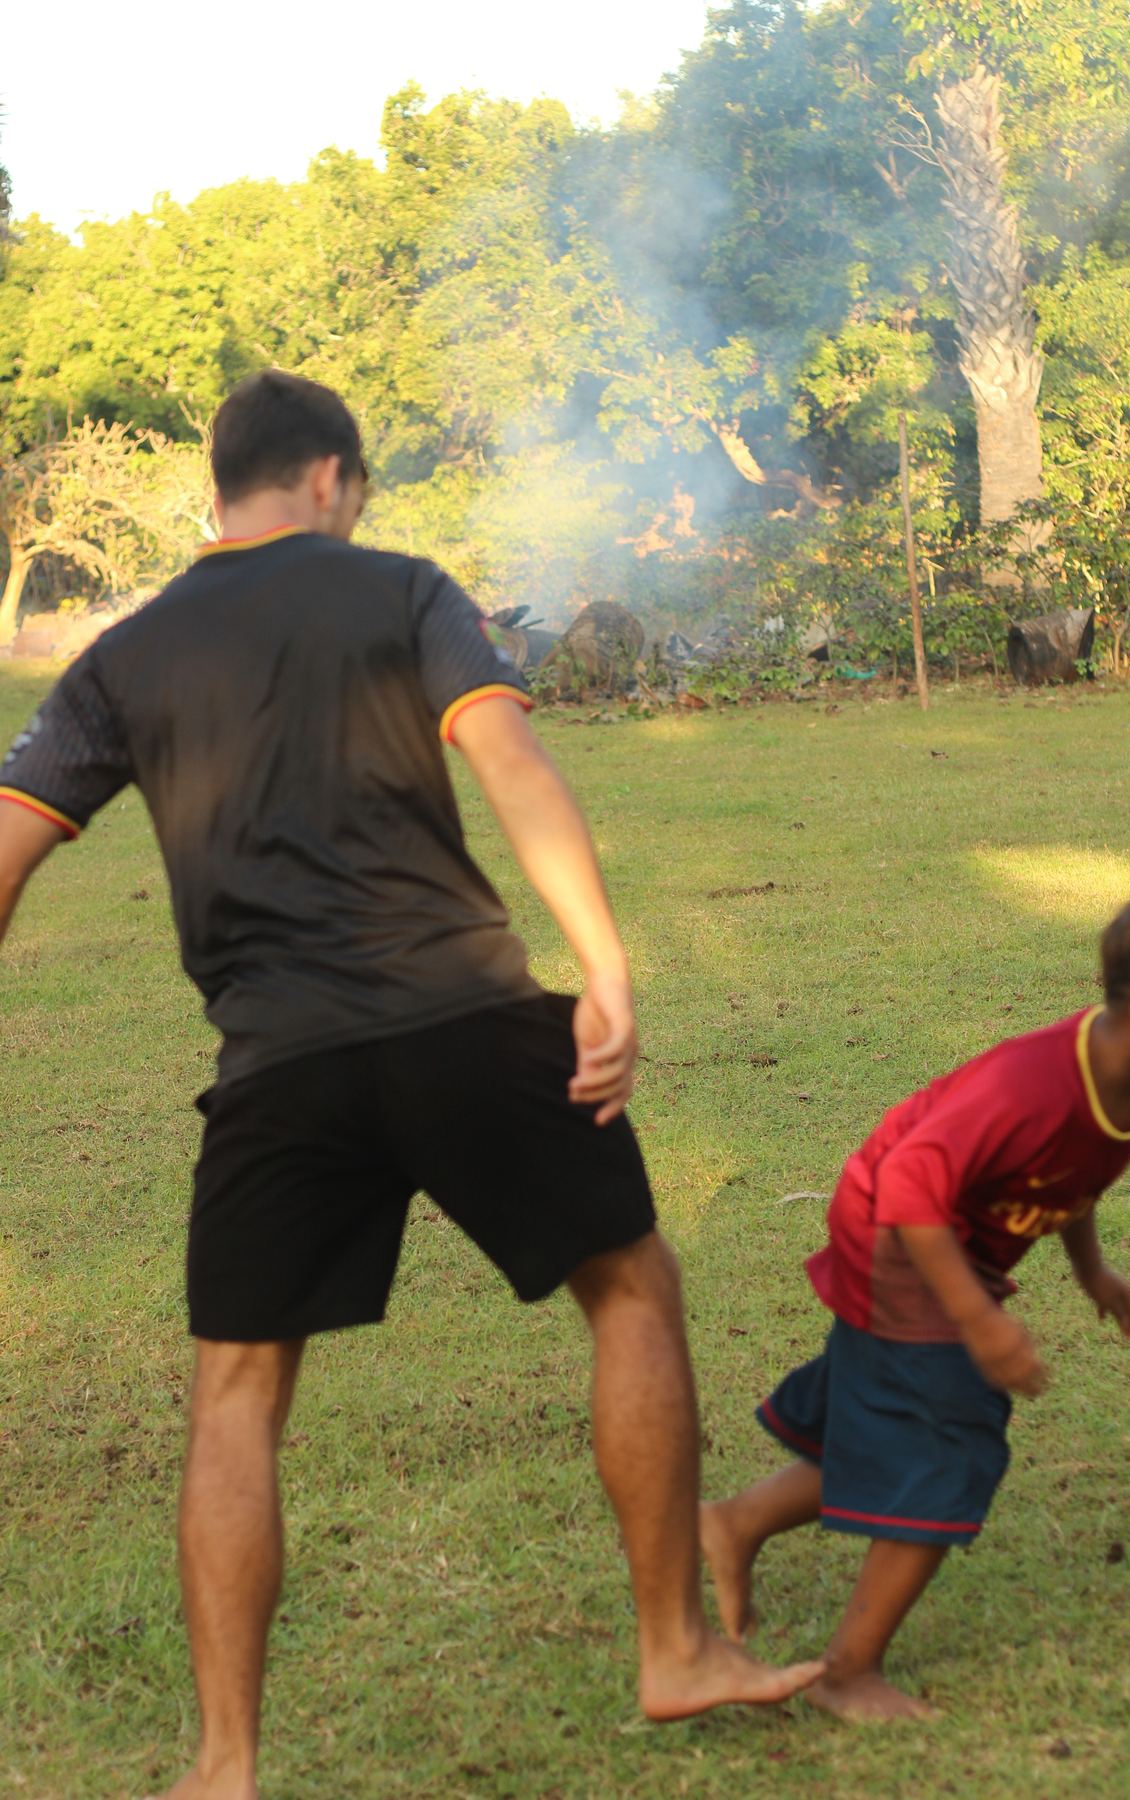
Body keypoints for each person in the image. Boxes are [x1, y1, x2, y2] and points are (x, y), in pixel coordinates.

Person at [0, 370, 821, 1800]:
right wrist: (607, 965)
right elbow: (511, 762)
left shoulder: (123, 660)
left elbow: (7, 849)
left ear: (224, 488)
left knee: (237, 1397)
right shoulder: (403, 590)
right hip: (464, 1012)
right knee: (629, 1288)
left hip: (274, 1062)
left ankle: (223, 1766)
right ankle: (675, 1649)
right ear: (329, 478)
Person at [701, 878, 1130, 1723]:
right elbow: (907, 1182)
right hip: (897, 1231)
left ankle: (735, 1524)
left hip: (945, 1236)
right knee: (948, 1438)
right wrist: (979, 1320)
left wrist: (1090, 1270)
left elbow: (1073, 1183)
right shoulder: (1032, 1086)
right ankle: (846, 1671)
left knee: (884, 1417)